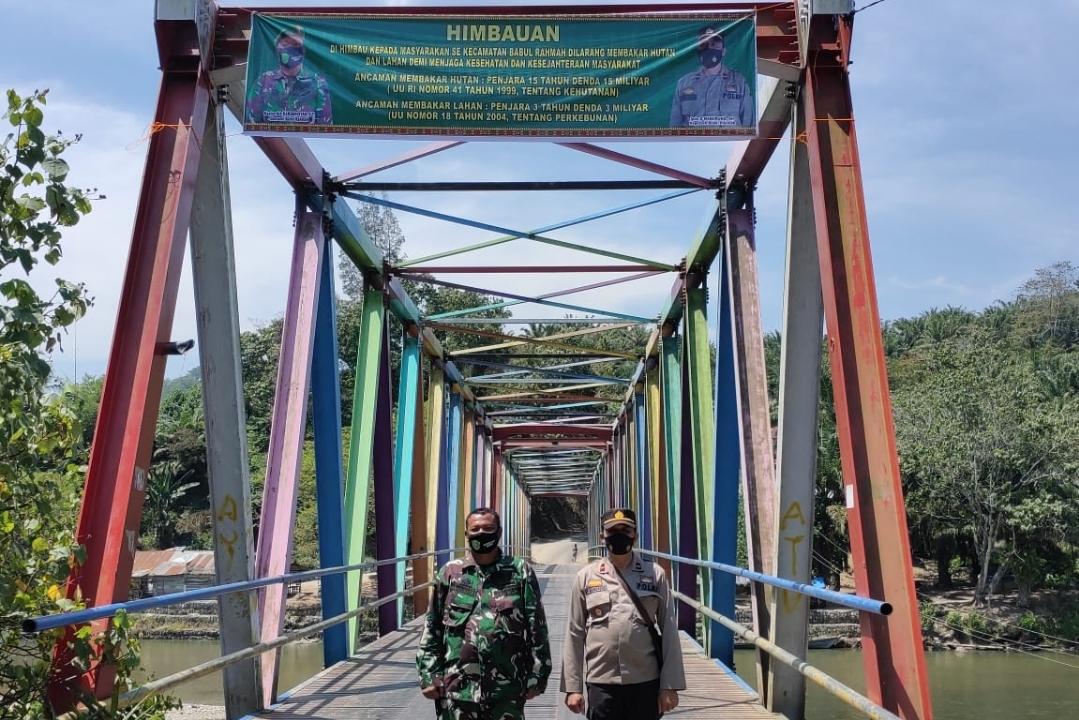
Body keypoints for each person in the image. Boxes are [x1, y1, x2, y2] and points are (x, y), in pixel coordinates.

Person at [417, 508, 552, 720]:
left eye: (488, 528)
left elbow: (537, 628)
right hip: (457, 690)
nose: (482, 533)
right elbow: (432, 627)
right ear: (467, 534)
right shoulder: (450, 573)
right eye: (476, 529)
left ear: (499, 533)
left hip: (506, 690)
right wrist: (428, 674)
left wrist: (538, 674)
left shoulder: (519, 571)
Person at [561, 508, 685, 719]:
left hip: (645, 680)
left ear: (635, 534)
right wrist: (573, 687)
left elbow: (670, 631)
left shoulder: (655, 574)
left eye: (626, 530)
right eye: (612, 531)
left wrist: (670, 685)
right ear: (602, 536)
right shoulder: (585, 576)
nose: (619, 535)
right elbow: (574, 633)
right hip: (602, 681)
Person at [669, 26, 754, 129]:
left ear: (723, 51)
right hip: (693, 144)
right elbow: (674, 128)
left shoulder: (739, 82)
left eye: (715, 44)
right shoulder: (684, 83)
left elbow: (749, 126)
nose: (709, 47)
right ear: (697, 49)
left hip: (729, 144)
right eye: (704, 44)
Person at [246, 27, 333, 125]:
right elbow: (252, 124)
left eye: (296, 44)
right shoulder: (263, 82)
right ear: (277, 48)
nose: (290, 49)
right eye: (285, 44)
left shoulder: (317, 83)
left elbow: (325, 127)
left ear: (303, 50)